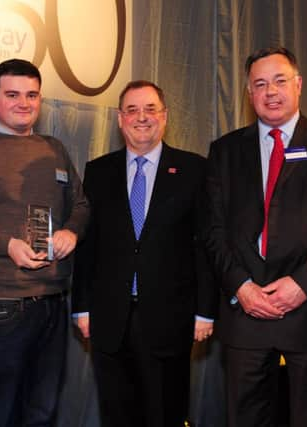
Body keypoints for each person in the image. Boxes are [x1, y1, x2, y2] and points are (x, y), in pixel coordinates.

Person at [206, 46, 307, 427]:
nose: (270, 91)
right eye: (260, 84)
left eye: (279, 81)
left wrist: (302, 284)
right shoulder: (225, 150)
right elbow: (213, 230)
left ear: (299, 84)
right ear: (249, 93)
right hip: (246, 311)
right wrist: (241, 286)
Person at [71, 80, 215, 427]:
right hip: (109, 320)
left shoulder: (194, 170)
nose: (142, 117)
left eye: (151, 109)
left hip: (171, 320)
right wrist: (81, 306)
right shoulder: (98, 170)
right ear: (120, 119)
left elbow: (205, 244)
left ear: (164, 117)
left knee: (164, 414)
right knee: (117, 415)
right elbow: (88, 246)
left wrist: (205, 312)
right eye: (132, 110)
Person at [0, 58, 89, 426]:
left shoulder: (55, 149)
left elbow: (80, 205)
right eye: (12, 94)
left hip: (52, 303)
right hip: (1, 305)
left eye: (32, 95)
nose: (23, 103)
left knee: (42, 413)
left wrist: (71, 231)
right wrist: (6, 245)